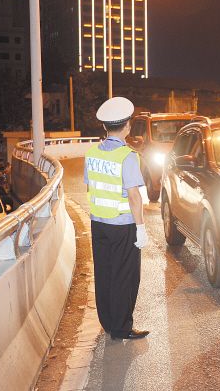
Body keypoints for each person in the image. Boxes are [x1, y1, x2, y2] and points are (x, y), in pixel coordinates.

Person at [85, 96, 149, 341]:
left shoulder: (91, 153)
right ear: (127, 126)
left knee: (104, 273)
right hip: (122, 226)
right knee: (125, 276)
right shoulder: (127, 156)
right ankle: (122, 328)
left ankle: (109, 322)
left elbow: (91, 189)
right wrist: (141, 229)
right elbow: (134, 196)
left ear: (104, 126)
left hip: (98, 224)